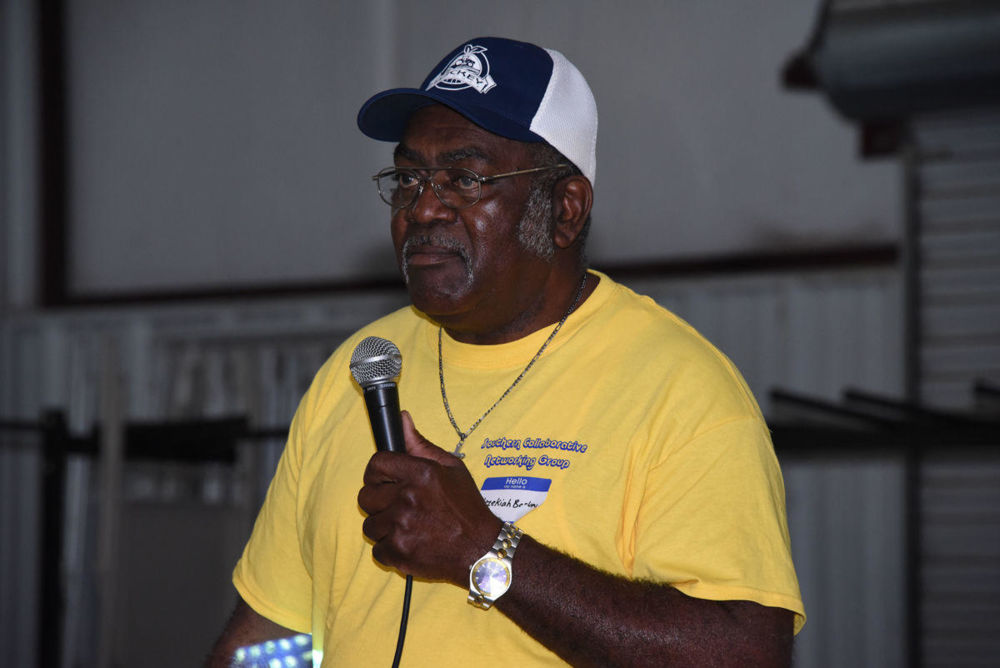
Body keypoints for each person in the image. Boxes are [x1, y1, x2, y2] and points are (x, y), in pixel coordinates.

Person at [206, 36, 804, 667]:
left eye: (464, 178)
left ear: (564, 210)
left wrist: (484, 550)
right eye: (409, 177)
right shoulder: (355, 372)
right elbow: (268, 635)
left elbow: (745, 653)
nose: (424, 207)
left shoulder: (679, 388)